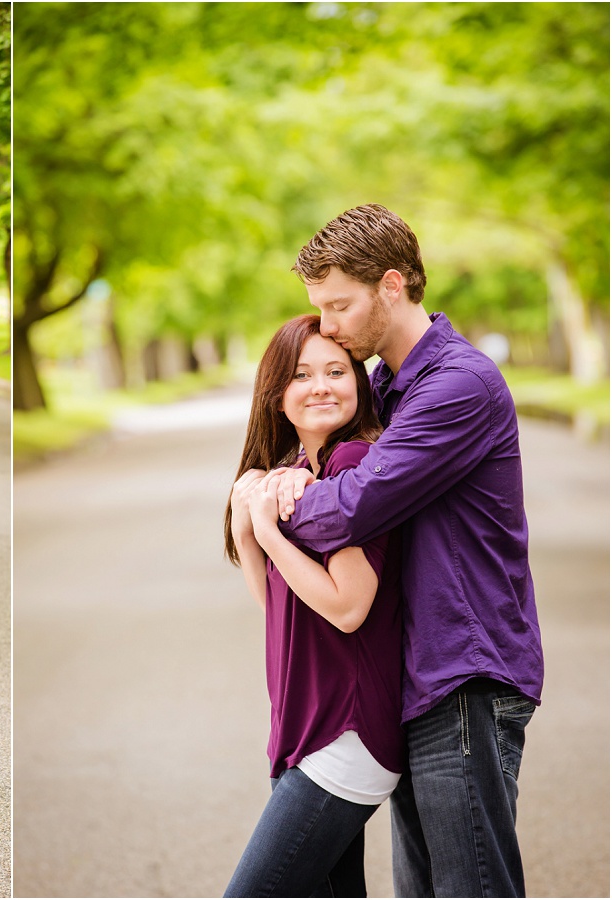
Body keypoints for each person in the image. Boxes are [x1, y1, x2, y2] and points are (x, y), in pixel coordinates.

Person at [266, 204, 544, 897]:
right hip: (418, 677)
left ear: (392, 285)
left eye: (339, 306)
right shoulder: (388, 390)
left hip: (465, 671)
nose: (328, 326)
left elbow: (354, 508)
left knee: (469, 890)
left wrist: (268, 503)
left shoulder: (457, 387)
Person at [222, 315, 404, 897]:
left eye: (336, 370)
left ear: (359, 381)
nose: (321, 386)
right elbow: (278, 604)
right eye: (301, 375)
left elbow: (348, 607)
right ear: (276, 394)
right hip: (304, 728)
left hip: (344, 731)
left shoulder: (353, 464)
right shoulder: (300, 471)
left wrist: (271, 534)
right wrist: (247, 528)